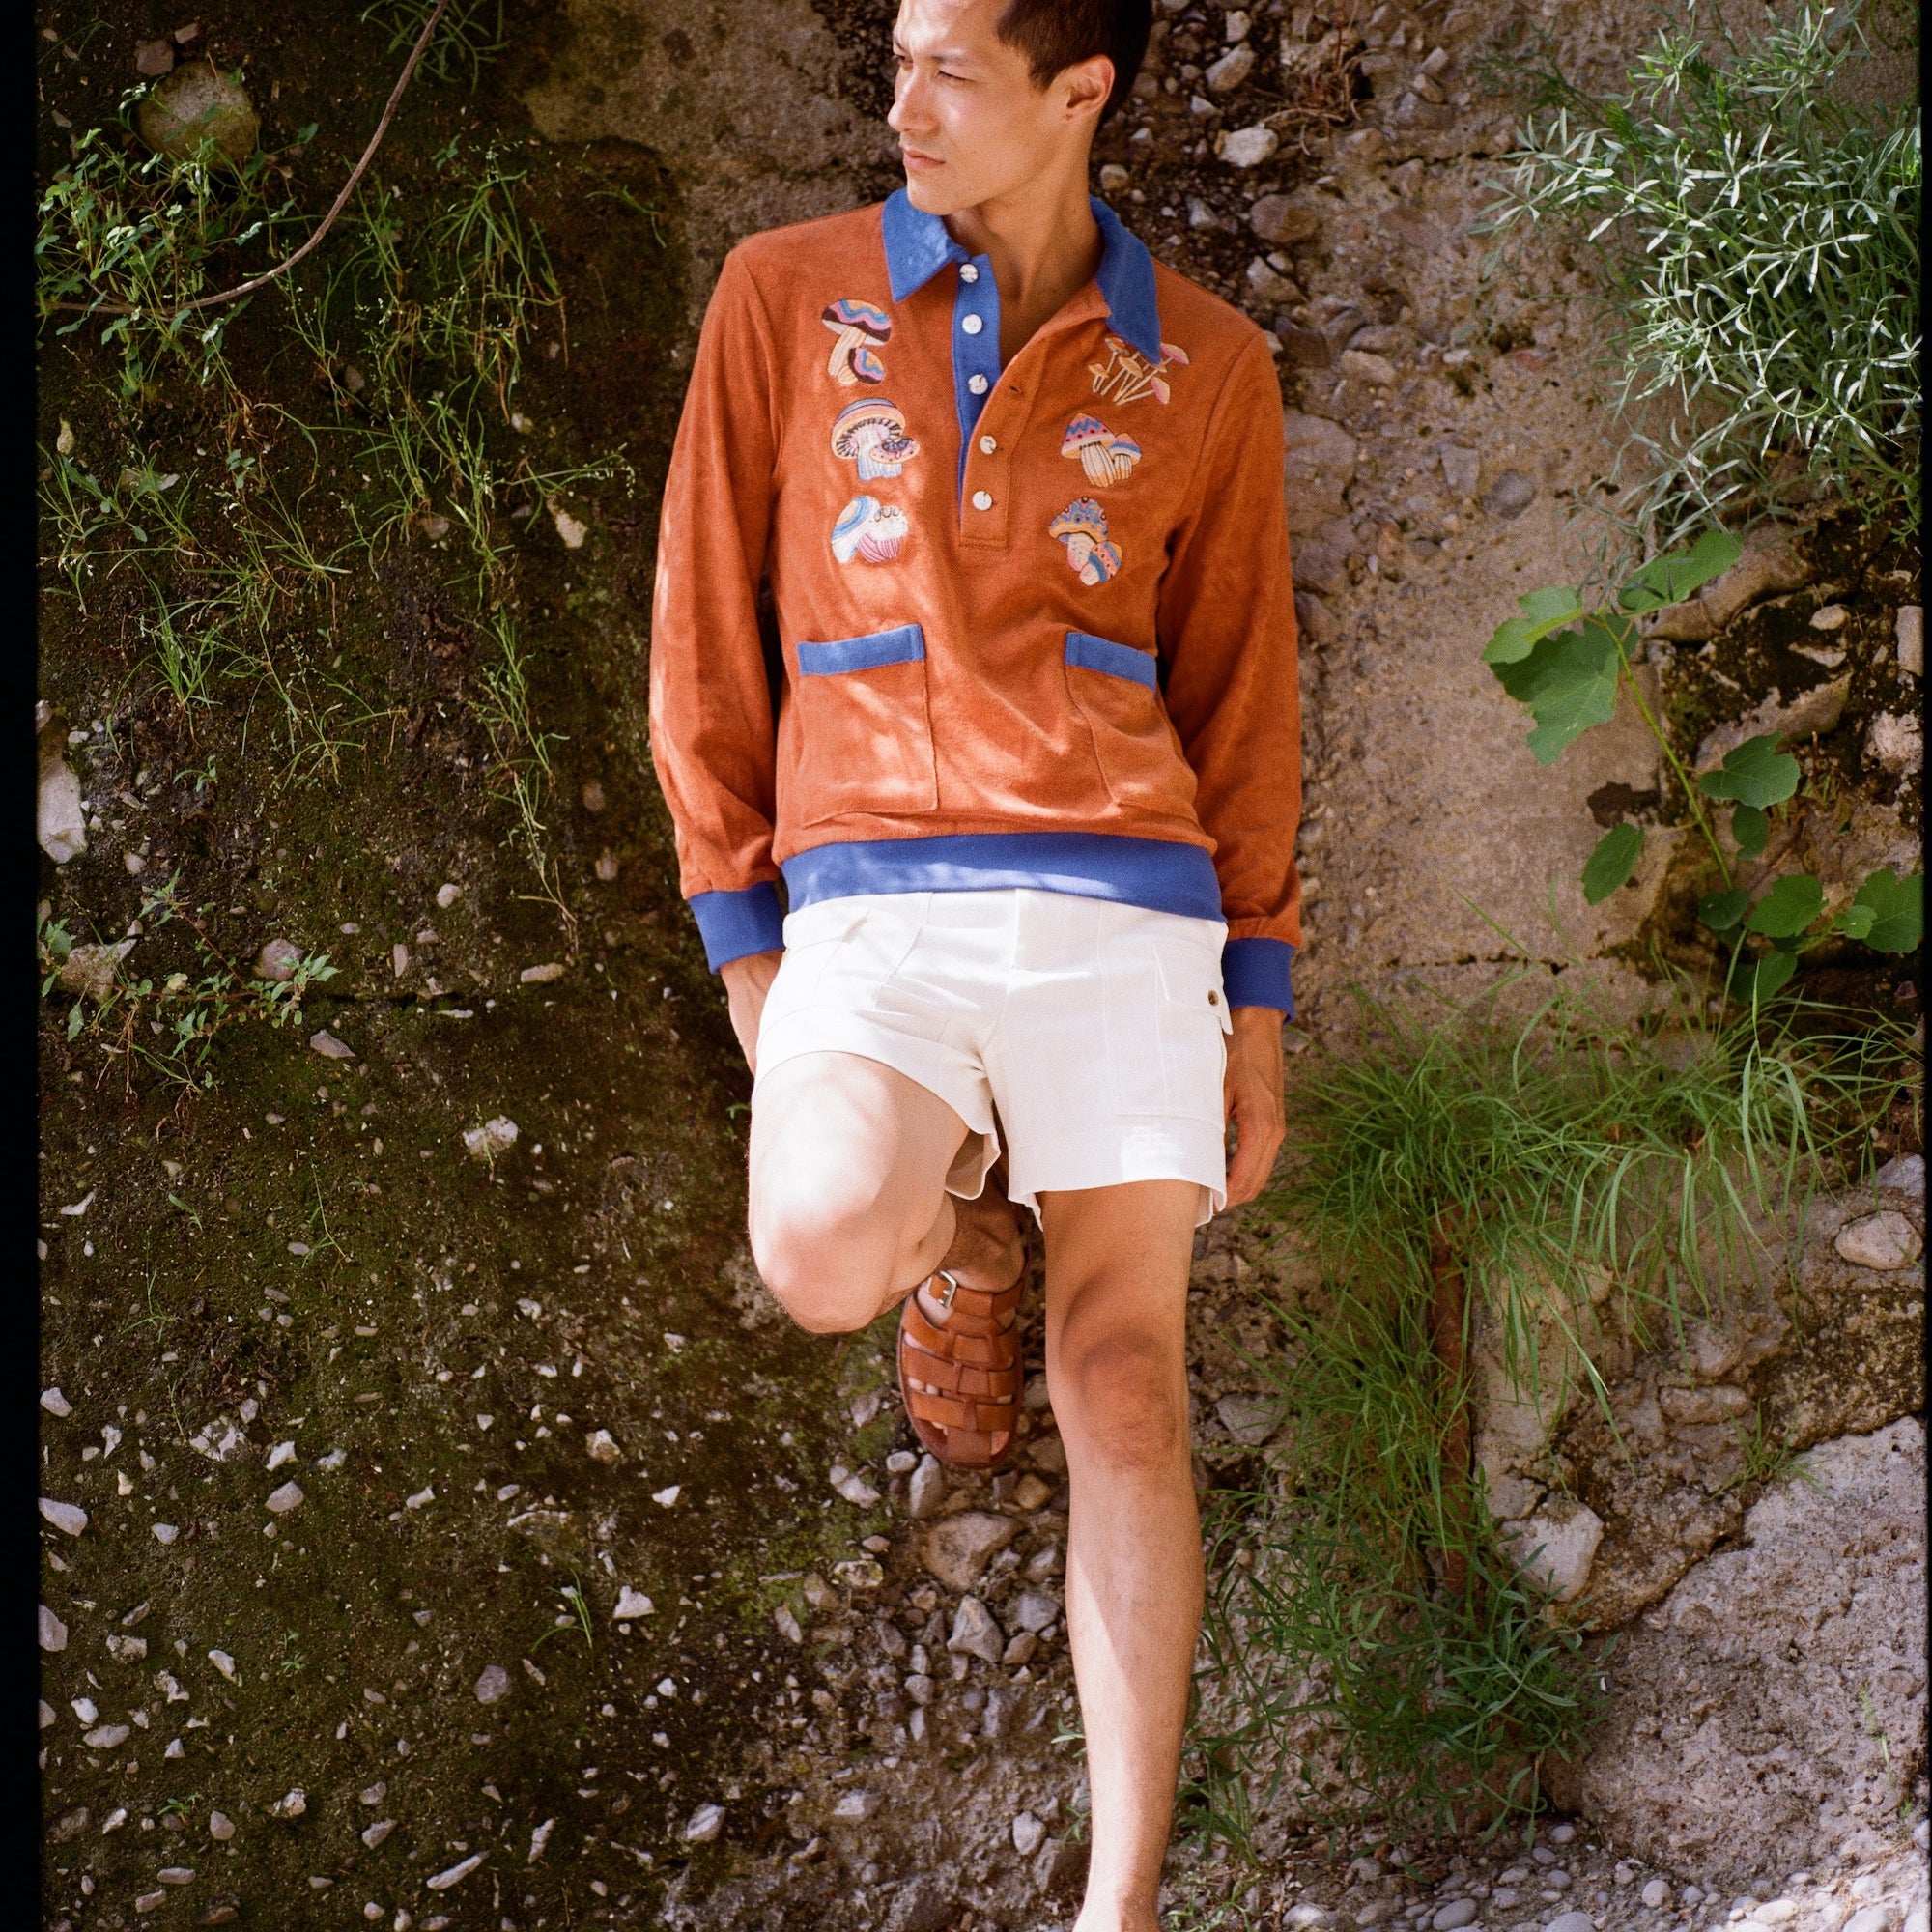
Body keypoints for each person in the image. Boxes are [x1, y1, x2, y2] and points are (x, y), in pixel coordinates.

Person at [647, 0, 1302, 1920]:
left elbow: (1242, 695)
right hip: (871, 901)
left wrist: (1254, 1002)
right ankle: (956, 1225)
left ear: (1077, 91)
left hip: (1130, 909)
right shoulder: (783, 298)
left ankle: (1118, 1903)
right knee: (822, 1245)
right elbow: (700, 631)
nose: (900, 101)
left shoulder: (1210, 363)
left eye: (950, 67)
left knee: (1124, 1388)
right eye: (897, 56)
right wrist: (746, 952)